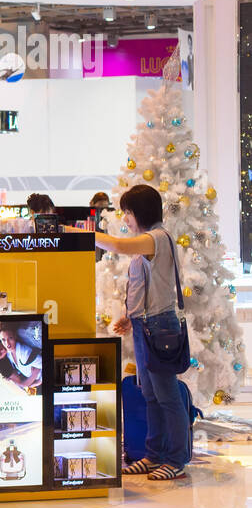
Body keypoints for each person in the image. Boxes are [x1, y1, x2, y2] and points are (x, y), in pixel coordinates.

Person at [96, 183, 189, 481]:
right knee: (151, 394)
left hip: (160, 327)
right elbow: (144, 287)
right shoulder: (147, 241)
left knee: (167, 396)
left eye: (128, 212)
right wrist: (129, 316)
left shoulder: (157, 238)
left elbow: (120, 247)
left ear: (141, 212)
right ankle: (153, 455)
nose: (125, 219)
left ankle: (174, 459)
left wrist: (84, 234)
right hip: (144, 325)